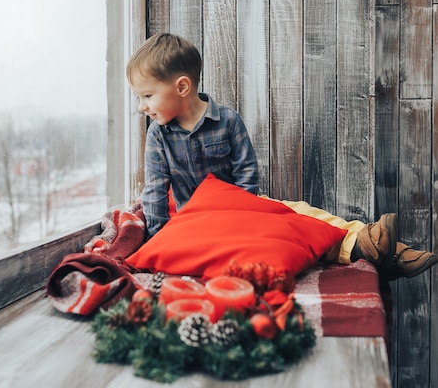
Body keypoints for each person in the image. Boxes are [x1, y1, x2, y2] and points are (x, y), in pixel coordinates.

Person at [127, 32, 437, 281]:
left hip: (242, 208)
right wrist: (158, 238)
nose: (142, 106)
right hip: (196, 220)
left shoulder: (228, 121)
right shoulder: (158, 135)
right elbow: (155, 189)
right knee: (284, 230)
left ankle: (376, 245)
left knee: (298, 212)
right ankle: (380, 250)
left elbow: (246, 171)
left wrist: (245, 210)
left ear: (182, 86)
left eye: (147, 96)